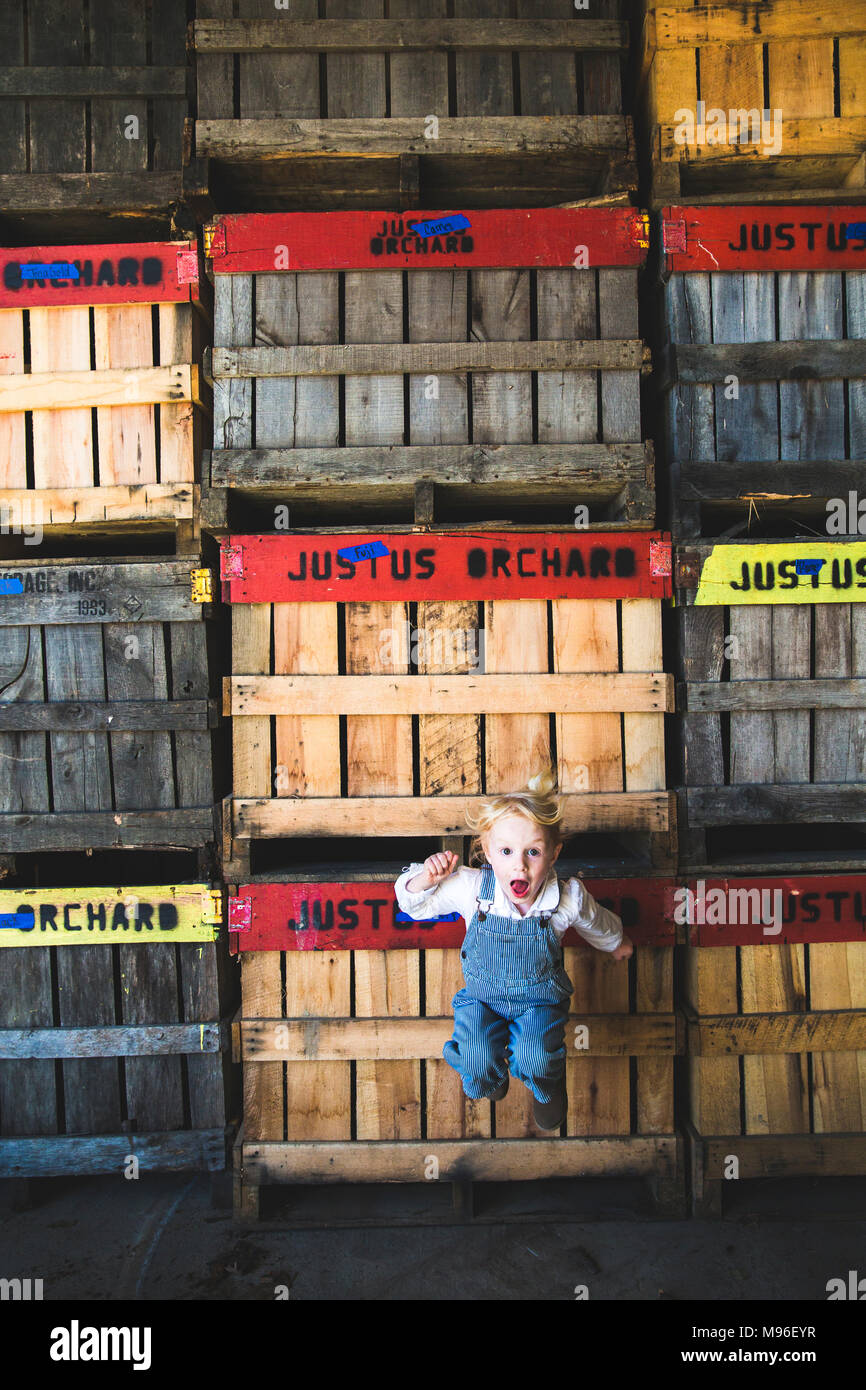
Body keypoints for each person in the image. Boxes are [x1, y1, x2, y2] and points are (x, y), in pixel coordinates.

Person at [393, 768, 634, 1131]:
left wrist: (617, 943)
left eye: (533, 852)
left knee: (536, 1056)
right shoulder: (472, 889)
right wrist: (426, 877)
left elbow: (596, 921)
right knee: (477, 1059)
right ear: (488, 852)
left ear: (553, 854)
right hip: (482, 1002)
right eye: (506, 851)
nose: (519, 864)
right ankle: (491, 1078)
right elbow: (412, 906)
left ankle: (548, 1085)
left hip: (539, 1004)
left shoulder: (563, 899)